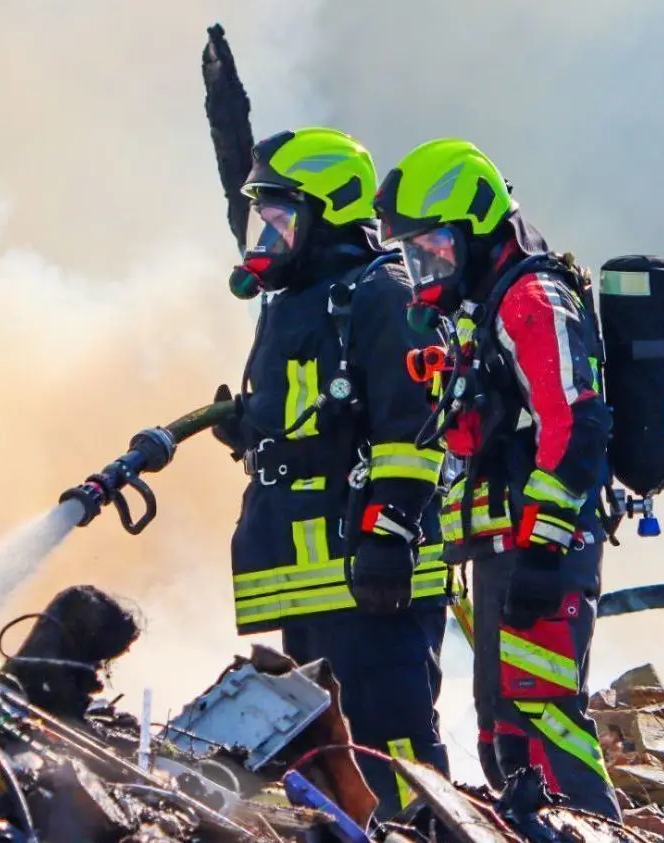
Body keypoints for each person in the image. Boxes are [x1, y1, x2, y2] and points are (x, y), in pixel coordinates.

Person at [373, 138, 622, 820]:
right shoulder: (482, 308)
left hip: (540, 551)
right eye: (413, 253)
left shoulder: (531, 298)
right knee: (504, 729)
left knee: (544, 723)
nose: (423, 267)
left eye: (435, 248)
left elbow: (575, 424)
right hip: (501, 549)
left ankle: (591, 830)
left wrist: (543, 549)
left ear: (477, 230)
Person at [210, 126, 453, 818]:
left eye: (281, 217)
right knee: (322, 741)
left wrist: (389, 534)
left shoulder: (381, 295)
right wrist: (250, 430)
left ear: (329, 210)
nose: (267, 236)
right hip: (307, 572)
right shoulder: (293, 302)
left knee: (390, 738)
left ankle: (418, 831)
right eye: (265, 218)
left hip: (367, 570)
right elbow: (314, 416)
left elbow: (414, 428)